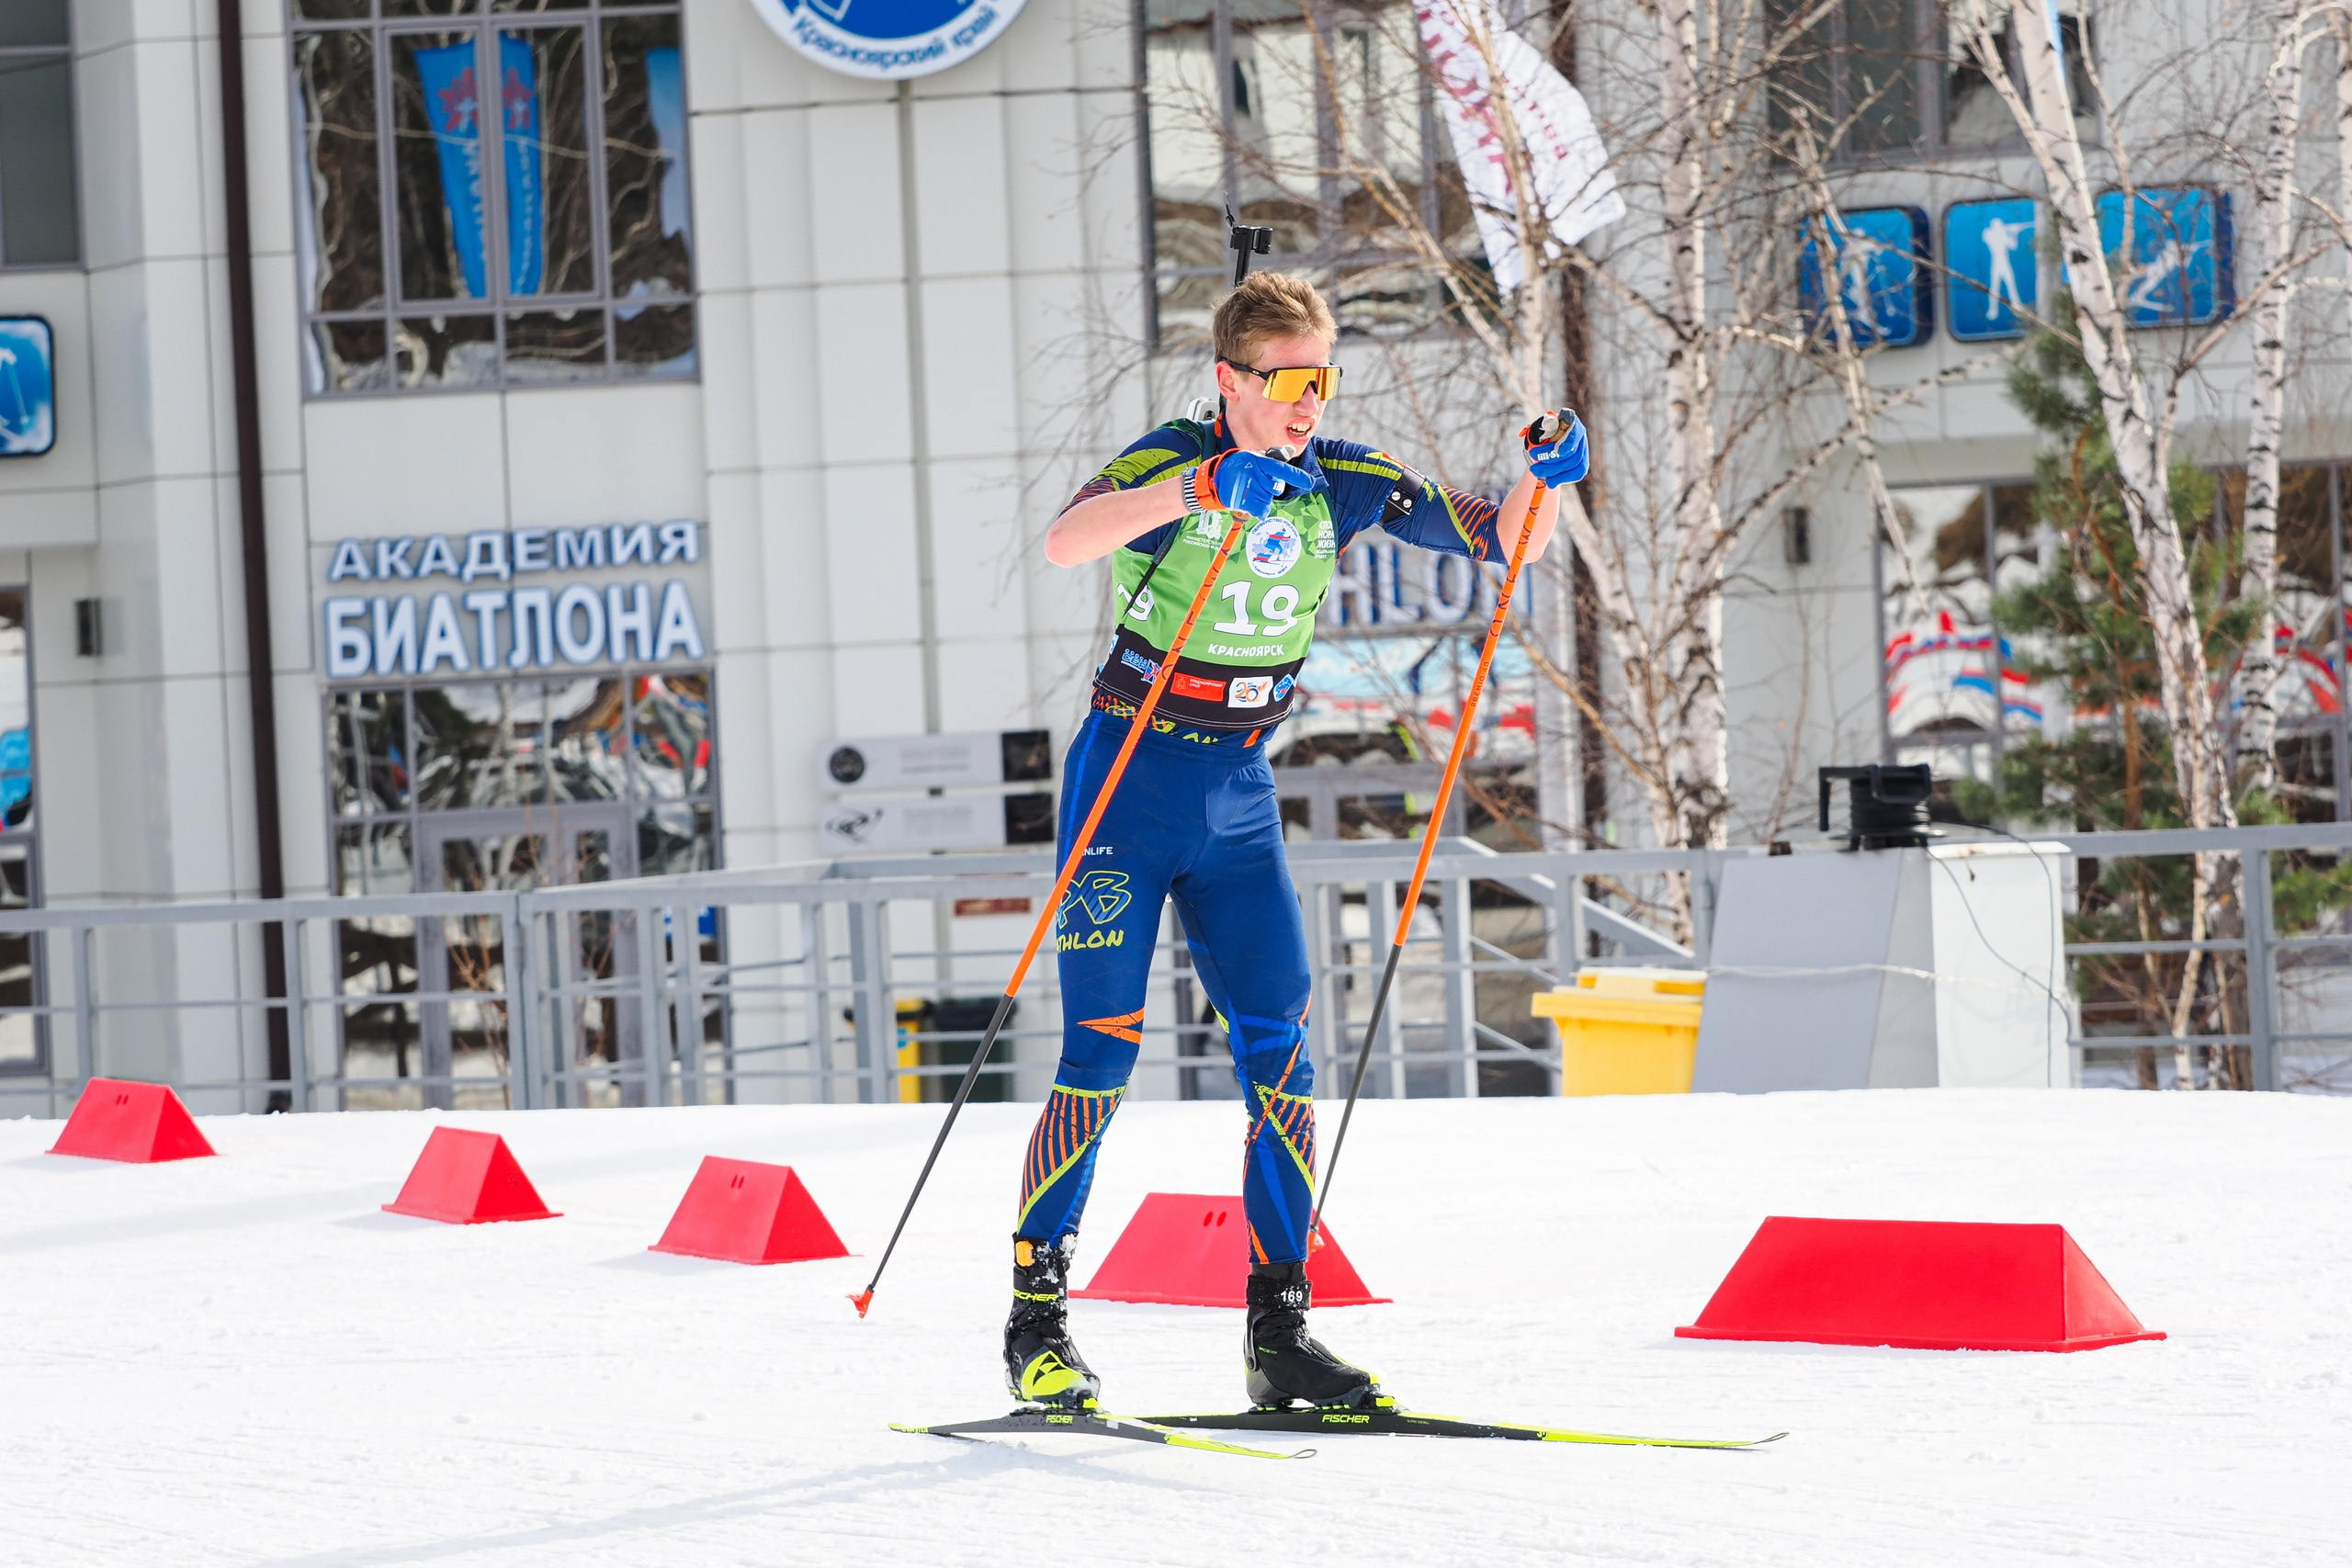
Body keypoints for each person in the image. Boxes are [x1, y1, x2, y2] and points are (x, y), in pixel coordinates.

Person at [1004, 271, 1589, 1412]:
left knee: (1281, 1049)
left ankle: (1279, 1332)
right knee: (1103, 1052)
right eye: (1285, 383)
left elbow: (1504, 540)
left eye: (1321, 380)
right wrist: (1199, 490)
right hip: (1127, 778)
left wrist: (1543, 477)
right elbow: (1068, 545)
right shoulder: (1173, 459)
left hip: (1237, 790)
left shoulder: (1342, 478)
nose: (1306, 403)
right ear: (1229, 382)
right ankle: (1037, 1323)